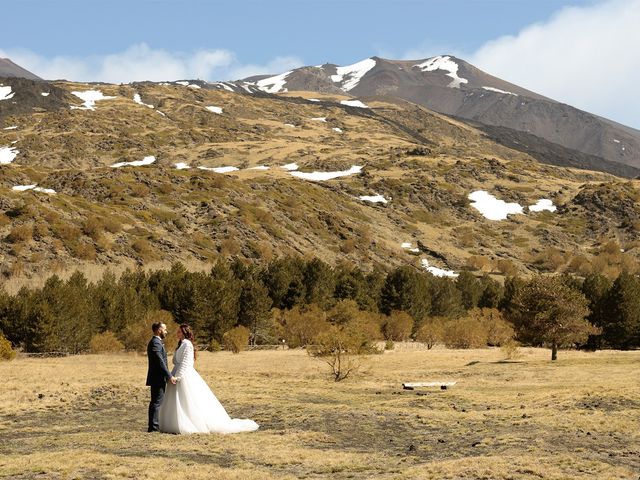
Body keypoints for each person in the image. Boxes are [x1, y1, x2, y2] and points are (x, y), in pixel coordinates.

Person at [159, 324, 259, 434]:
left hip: (183, 375)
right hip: (177, 372)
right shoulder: (181, 344)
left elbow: (186, 363)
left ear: (184, 333)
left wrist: (178, 377)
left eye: (179, 331)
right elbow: (175, 361)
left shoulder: (187, 344)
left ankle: (189, 423)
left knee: (188, 400)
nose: (177, 333)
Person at [146, 322, 176, 432]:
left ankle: (153, 426)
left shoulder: (157, 342)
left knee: (156, 401)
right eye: (165, 329)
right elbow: (160, 361)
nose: (166, 331)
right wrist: (169, 376)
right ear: (159, 330)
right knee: (156, 402)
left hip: (158, 377)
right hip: (157, 378)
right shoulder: (155, 343)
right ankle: (153, 427)